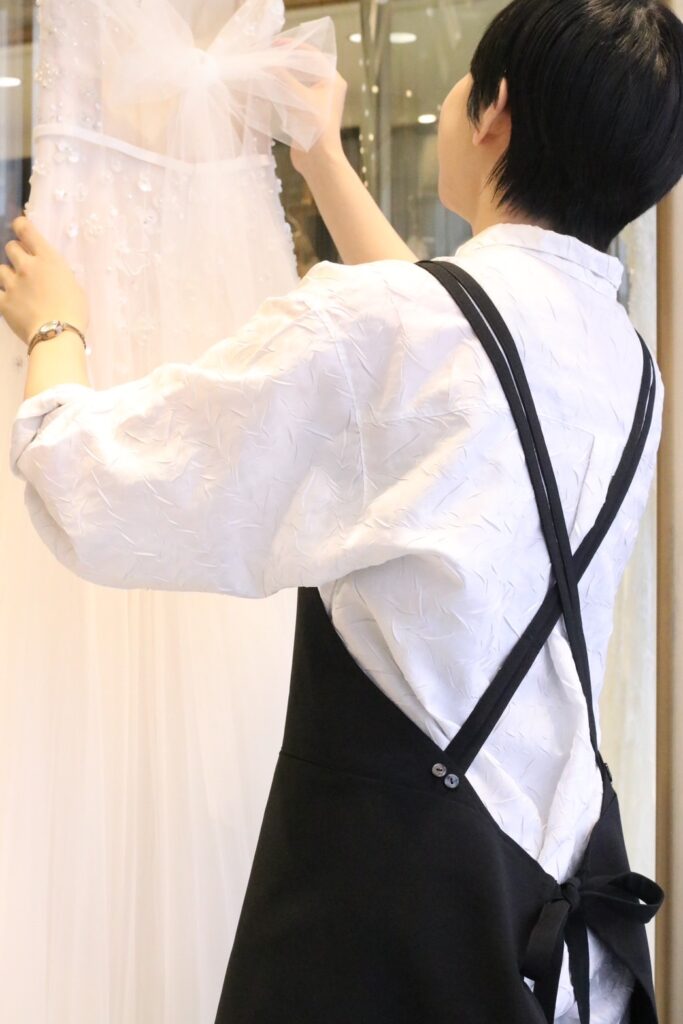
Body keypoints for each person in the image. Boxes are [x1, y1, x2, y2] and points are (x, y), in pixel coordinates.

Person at [3, 1, 681, 1021]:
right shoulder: (628, 367)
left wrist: (56, 327)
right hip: (542, 926)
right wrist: (319, 156)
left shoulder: (390, 330)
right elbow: (448, 347)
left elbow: (89, 484)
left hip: (380, 925)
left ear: (493, 112)